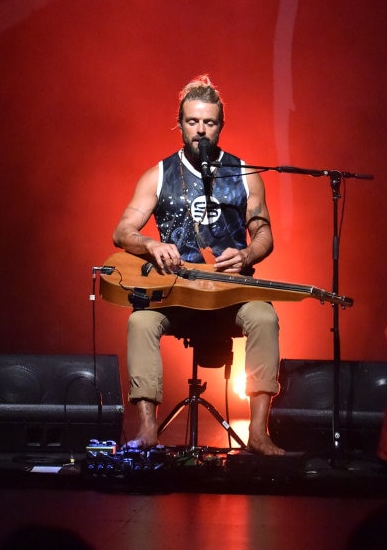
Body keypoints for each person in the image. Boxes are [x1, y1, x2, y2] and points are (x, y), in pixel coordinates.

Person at [112, 74, 284, 455]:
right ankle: (147, 429)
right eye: (192, 122)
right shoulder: (158, 175)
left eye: (209, 122)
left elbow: (264, 233)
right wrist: (151, 243)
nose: (201, 131)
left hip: (229, 295)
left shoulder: (244, 172)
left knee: (264, 317)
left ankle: (259, 432)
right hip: (176, 296)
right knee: (140, 321)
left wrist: (248, 254)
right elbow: (122, 231)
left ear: (221, 125)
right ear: (180, 124)